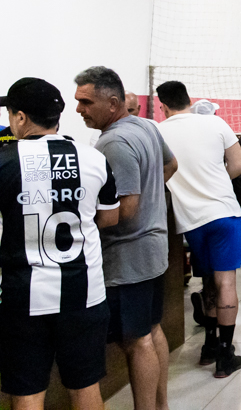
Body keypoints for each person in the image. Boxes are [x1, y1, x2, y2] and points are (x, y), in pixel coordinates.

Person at [0, 78, 120, 410]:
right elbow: (110, 217)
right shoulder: (93, 158)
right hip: (84, 293)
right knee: (85, 386)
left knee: (27, 392)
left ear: (20, 117)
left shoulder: (5, 161)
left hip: (23, 296)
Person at [74, 67, 176, 410]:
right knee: (152, 330)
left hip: (128, 258)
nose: (79, 109)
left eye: (86, 102)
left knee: (137, 341)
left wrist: (84, 221)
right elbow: (171, 165)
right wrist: (150, 196)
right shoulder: (146, 126)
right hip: (153, 250)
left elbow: (125, 210)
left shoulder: (112, 143)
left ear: (113, 103)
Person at [155, 80, 241, 377]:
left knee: (207, 282)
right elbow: (239, 165)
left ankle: (208, 346)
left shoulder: (158, 132)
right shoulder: (215, 123)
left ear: (163, 106)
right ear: (189, 99)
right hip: (223, 213)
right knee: (226, 283)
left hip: (191, 220)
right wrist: (215, 180)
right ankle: (225, 354)